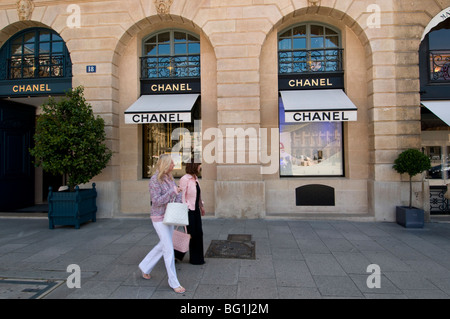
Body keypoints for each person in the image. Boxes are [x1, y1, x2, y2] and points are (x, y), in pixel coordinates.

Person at [138, 154, 186, 294]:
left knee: (163, 245)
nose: (173, 165)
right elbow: (156, 201)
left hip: (169, 216)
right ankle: (174, 282)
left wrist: (178, 195)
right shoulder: (154, 180)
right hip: (158, 217)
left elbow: (174, 196)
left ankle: (145, 266)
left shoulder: (170, 178)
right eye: (171, 163)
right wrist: (172, 191)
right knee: (168, 249)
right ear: (165, 164)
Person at [179, 160, 205, 265]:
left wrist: (201, 206)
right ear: (194, 166)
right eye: (199, 165)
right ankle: (191, 258)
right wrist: (185, 210)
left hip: (196, 210)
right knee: (191, 234)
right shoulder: (184, 179)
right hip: (188, 210)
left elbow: (198, 195)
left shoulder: (195, 178)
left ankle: (199, 259)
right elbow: (182, 196)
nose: (200, 167)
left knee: (199, 233)